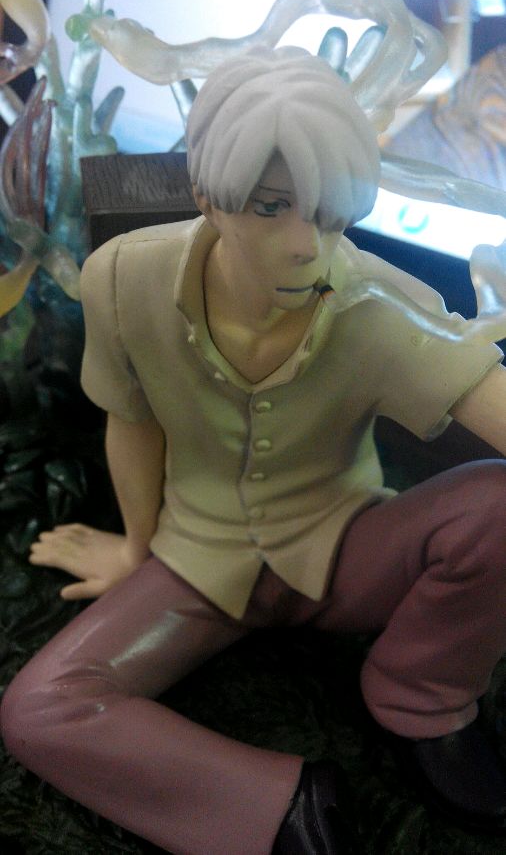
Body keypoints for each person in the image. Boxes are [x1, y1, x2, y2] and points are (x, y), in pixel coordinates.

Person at [2, 46, 506, 855]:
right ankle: (280, 807)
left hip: (345, 550)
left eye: (329, 213)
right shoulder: (124, 279)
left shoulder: (377, 303)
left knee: (497, 505)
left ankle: (420, 693)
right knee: (39, 708)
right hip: (197, 563)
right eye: (272, 208)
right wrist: (135, 548)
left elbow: (486, 393)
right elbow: (131, 418)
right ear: (209, 196)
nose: (306, 243)